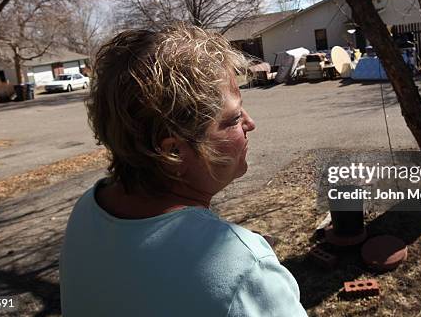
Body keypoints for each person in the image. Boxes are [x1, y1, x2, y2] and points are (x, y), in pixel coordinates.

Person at [59, 24, 308, 316]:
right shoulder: (244, 270)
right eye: (233, 118)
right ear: (174, 152)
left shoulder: (89, 210)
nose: (249, 123)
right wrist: (246, 262)